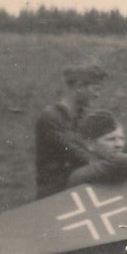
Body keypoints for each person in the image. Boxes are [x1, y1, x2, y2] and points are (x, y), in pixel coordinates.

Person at [34, 64, 107, 198]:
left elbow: (108, 138)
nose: (98, 95)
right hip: (56, 195)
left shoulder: (84, 115)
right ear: (79, 87)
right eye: (96, 89)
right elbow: (80, 154)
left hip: (80, 189)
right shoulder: (51, 118)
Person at [66, 110, 127, 189]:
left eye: (121, 138)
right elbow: (77, 178)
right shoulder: (81, 173)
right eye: (110, 139)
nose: (119, 144)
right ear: (90, 144)